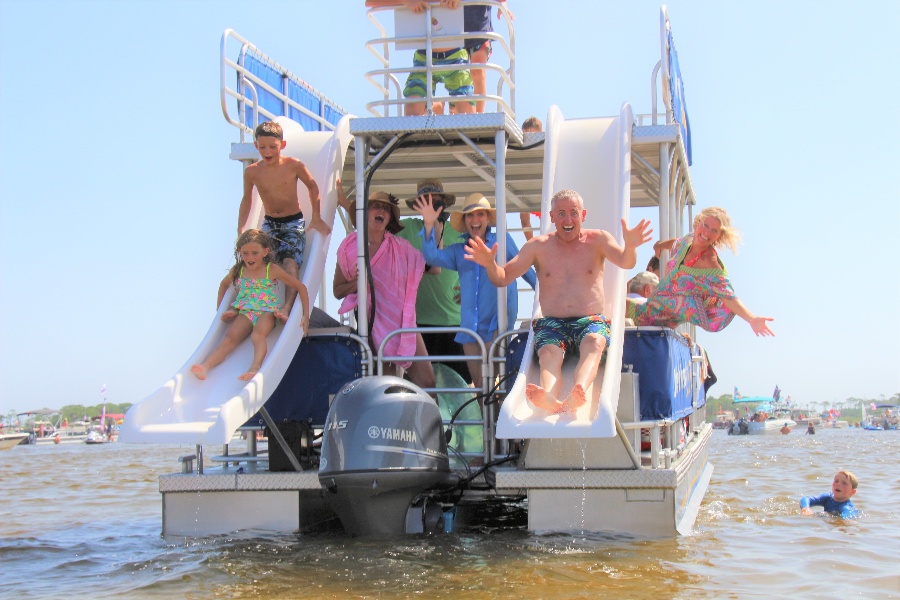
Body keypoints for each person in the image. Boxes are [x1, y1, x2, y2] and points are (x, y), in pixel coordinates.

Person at [464, 189, 652, 413]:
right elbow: (502, 278)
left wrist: (630, 246)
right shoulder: (538, 246)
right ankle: (550, 395)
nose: (568, 219)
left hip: (589, 319)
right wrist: (489, 264)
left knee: (594, 343)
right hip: (553, 322)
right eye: (561, 213)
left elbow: (626, 261)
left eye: (573, 213)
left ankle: (579, 390)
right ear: (552, 217)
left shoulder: (598, 240)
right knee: (547, 353)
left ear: (583, 214)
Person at [414, 192, 536, 387]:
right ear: (465, 220)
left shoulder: (502, 241)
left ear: (488, 218)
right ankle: (485, 418)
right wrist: (429, 225)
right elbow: (430, 257)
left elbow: (527, 273)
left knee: (495, 385)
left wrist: (545, 302)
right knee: (480, 385)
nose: (475, 219)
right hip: (470, 329)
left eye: (480, 214)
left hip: (498, 325)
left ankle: (496, 418)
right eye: (470, 215)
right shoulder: (458, 250)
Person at [334, 190, 436, 390]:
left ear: (389, 218)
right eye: (376, 206)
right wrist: (358, 283)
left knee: (428, 382)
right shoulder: (349, 248)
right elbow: (338, 291)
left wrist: (431, 226)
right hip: (370, 325)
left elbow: (434, 267)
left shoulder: (402, 247)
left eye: (386, 209)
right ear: (365, 212)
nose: (381, 210)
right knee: (385, 386)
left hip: (404, 323)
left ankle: (431, 422)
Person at [627, 207, 775, 336]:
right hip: (653, 304)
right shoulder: (688, 241)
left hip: (660, 318)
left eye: (714, 231)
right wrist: (659, 245)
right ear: (698, 222)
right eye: (705, 225)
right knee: (618, 303)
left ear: (719, 236)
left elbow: (728, 296)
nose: (707, 232)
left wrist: (752, 319)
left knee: (620, 305)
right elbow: (676, 242)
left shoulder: (709, 263)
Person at [192, 230, 310, 381]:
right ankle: (205, 367)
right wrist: (219, 310)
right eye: (245, 253)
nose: (250, 257)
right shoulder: (239, 270)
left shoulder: (271, 269)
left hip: (266, 311)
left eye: (255, 253)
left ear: (265, 252)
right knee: (229, 339)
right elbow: (223, 285)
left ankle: (255, 368)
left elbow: (301, 287)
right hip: (246, 311)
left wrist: (305, 315)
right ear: (239, 252)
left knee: (257, 335)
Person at [239, 121, 328, 320]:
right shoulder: (252, 172)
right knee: (256, 261)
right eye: (262, 147)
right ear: (256, 146)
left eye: (273, 147)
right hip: (270, 223)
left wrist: (316, 216)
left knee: (290, 262)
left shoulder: (293, 165)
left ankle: (287, 307)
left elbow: (312, 186)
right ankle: (255, 306)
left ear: (283, 145)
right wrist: (241, 228)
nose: (267, 151)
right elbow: (247, 199)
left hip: (292, 223)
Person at [395, 179, 472, 383]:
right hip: (417, 323)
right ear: (417, 206)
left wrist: (473, 290)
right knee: (421, 386)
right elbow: (377, 230)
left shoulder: (460, 232)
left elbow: (482, 264)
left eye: (435, 201)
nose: (431, 206)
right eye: (425, 201)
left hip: (454, 323)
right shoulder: (405, 228)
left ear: (444, 204)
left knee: (459, 385)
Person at [366, 0, 475, 116]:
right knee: (412, 114)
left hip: (456, 56)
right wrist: (406, 1)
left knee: (467, 115)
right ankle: (435, 105)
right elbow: (370, 2)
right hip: (424, 56)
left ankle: (451, 105)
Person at [464, 0, 512, 113]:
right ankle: (461, 113)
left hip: (480, 31)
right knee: (459, 79)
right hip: (453, 32)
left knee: (478, 73)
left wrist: (503, 4)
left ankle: (479, 115)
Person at [519, 116, 543, 240]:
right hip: (528, 183)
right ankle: (534, 245)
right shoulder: (522, 152)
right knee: (523, 217)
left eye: (533, 136)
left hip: (542, 184)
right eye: (526, 136)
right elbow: (524, 221)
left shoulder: (545, 148)